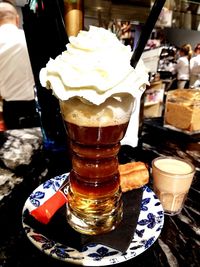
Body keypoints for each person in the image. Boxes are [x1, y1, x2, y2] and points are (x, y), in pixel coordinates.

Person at [0, 1, 39, 129]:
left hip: (12, 109)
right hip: (38, 105)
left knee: (16, 145)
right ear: (17, 19)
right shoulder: (31, 38)